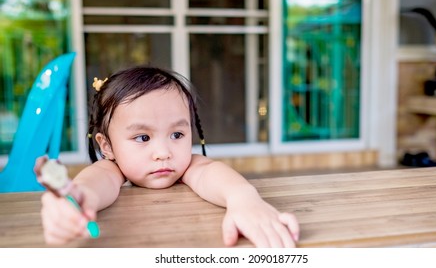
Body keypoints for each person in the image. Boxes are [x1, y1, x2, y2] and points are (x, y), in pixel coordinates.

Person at [38, 66, 299, 247]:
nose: (164, 153)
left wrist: (244, 199)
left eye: (177, 135)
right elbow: (95, 184)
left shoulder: (187, 166)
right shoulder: (112, 170)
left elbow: (211, 173)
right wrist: (79, 199)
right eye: (143, 138)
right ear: (107, 147)